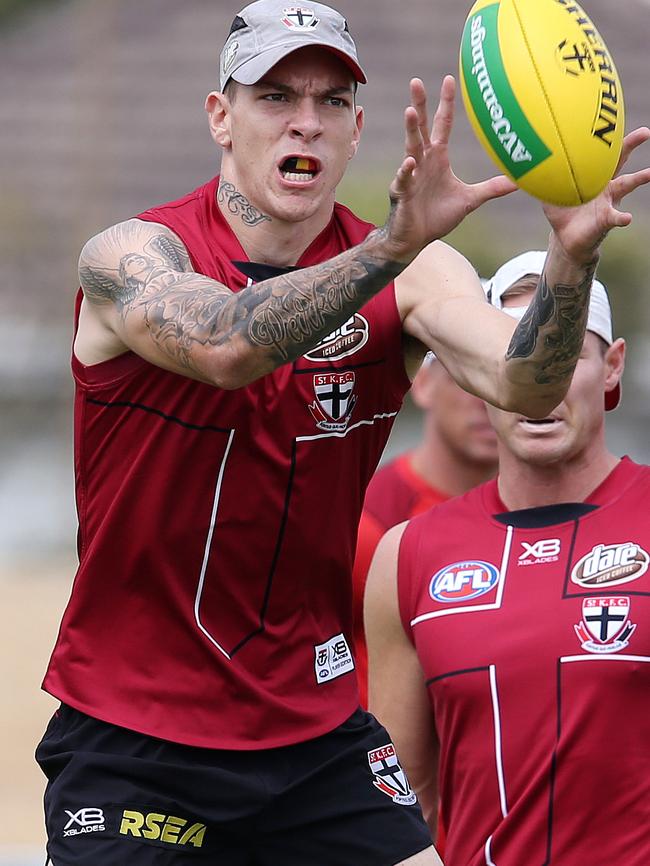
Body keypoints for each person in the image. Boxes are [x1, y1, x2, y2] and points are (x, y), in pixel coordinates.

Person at [35, 0, 650, 859]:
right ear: (221, 117)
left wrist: (571, 261)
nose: (306, 122)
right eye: (276, 96)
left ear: (359, 130)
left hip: (313, 738)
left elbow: (528, 387)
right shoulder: (133, 255)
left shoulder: (418, 270)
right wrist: (386, 250)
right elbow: (224, 346)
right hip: (136, 735)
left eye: (330, 103)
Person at [365, 250, 650, 866]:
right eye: (520, 354)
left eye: (565, 352)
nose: (540, 379)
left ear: (612, 367)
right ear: (479, 375)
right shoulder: (408, 555)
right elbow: (397, 805)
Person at [353, 354, 499, 707]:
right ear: (423, 383)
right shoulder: (368, 517)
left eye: (503, 379)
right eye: (466, 376)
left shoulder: (548, 514)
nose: (487, 399)